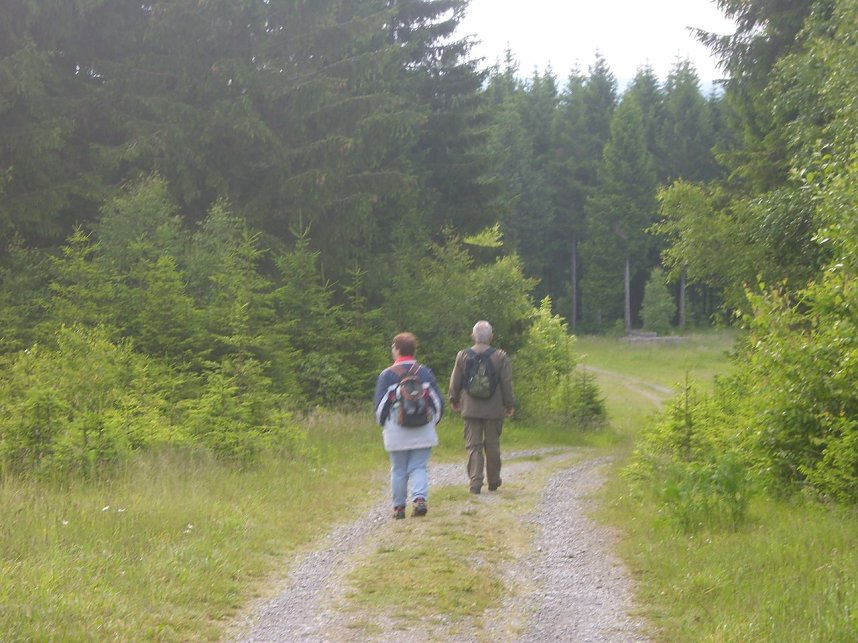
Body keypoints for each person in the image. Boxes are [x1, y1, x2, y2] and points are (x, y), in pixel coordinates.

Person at [374, 332, 444, 519]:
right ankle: (419, 500)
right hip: (423, 429)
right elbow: (437, 402)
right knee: (419, 466)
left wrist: (384, 424)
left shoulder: (387, 375)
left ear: (397, 349)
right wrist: (433, 421)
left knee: (398, 469)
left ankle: (398, 508)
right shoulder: (425, 372)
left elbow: (381, 408)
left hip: (396, 430)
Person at [448, 320, 515, 494]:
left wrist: (454, 399)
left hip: (470, 408)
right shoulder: (500, 356)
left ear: (473, 337)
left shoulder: (462, 355)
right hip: (494, 409)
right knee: (492, 445)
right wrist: (509, 404)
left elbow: (455, 381)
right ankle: (493, 481)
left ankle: (475, 482)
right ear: (491, 338)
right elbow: (506, 383)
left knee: (473, 446)